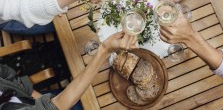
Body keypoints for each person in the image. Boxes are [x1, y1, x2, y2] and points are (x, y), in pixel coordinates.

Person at [0, 31, 137, 109]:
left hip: (32, 100)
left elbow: (8, 75)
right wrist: (104, 50)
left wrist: (42, 100)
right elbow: (57, 106)